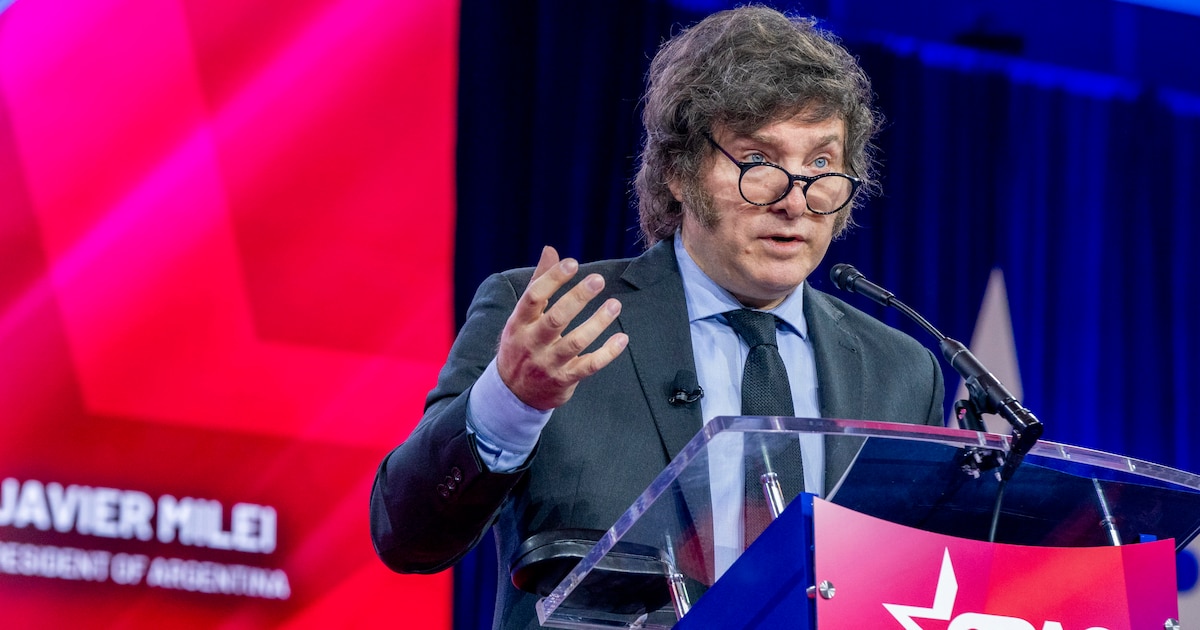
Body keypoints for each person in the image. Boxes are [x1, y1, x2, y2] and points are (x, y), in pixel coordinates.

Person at [370, 6, 944, 629]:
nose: (795, 199)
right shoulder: (555, 323)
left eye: (821, 165)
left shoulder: (902, 372)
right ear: (678, 171)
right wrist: (511, 402)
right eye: (758, 161)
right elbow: (407, 536)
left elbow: (915, 588)